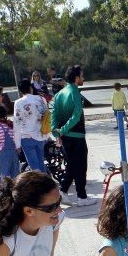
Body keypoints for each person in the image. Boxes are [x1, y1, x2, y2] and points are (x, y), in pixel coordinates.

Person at [51, 65, 96, 207]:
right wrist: (63, 130)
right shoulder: (75, 91)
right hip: (76, 136)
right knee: (81, 166)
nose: (83, 78)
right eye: (82, 76)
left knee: (72, 165)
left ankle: (63, 191)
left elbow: (54, 114)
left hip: (65, 137)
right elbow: (76, 115)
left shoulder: (59, 94)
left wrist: (56, 131)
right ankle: (82, 197)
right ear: (76, 78)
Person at [13, 79, 49, 173]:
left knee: (34, 166)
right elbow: (46, 117)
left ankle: (39, 186)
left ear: (20, 91)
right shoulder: (42, 99)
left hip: (26, 136)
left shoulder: (18, 102)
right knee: (41, 163)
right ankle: (45, 183)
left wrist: (17, 144)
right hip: (41, 135)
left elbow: (17, 123)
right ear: (30, 88)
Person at [0, 104, 20, 181]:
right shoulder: (11, 125)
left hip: (3, 154)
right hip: (14, 153)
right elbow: (16, 139)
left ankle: (5, 190)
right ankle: (15, 191)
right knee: (15, 174)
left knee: (4, 175)